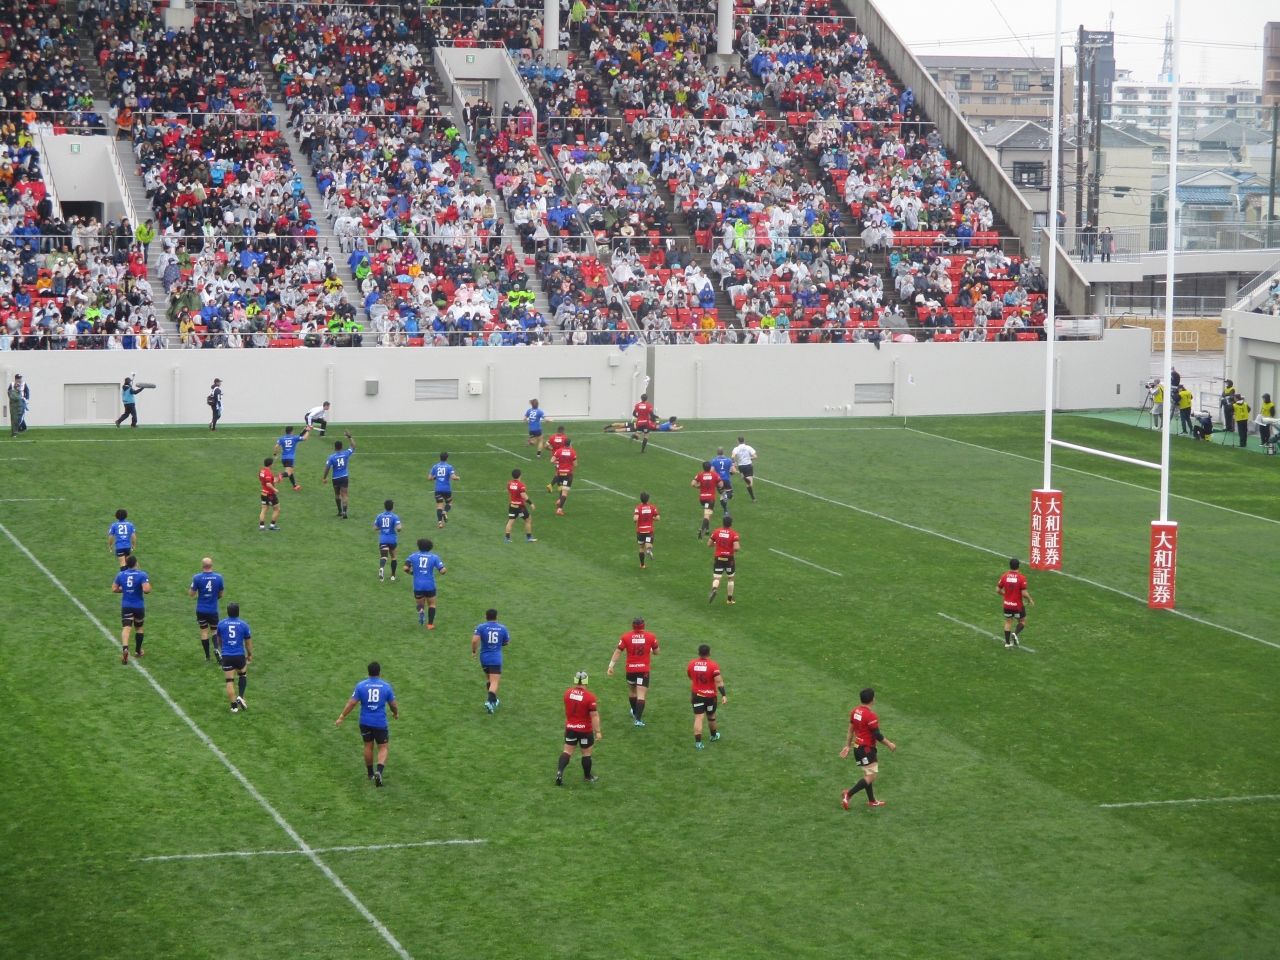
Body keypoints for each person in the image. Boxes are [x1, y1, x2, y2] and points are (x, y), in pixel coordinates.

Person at [335, 661, 398, 786]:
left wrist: (342, 717)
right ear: (379, 673)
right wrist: (395, 713)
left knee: (368, 746)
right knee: (383, 747)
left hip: (365, 722)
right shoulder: (386, 686)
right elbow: (393, 704)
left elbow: (352, 703)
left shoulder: (361, 686)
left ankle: (370, 773)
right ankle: (379, 771)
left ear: (368, 673)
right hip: (380, 722)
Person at [839, 687, 896, 809]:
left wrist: (848, 746)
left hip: (857, 748)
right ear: (872, 699)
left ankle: (872, 800)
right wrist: (890, 744)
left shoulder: (855, 711)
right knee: (871, 776)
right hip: (867, 749)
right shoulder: (871, 716)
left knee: (867, 775)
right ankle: (848, 795)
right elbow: (878, 735)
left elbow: (850, 731)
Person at [607, 617, 659, 725]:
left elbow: (618, 652)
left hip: (630, 669)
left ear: (633, 625)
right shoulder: (650, 636)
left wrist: (611, 666)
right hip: (643, 670)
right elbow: (656, 652)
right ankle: (638, 720)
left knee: (632, 692)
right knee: (641, 695)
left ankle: (634, 711)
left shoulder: (626, 636)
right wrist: (649, 648)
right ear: (644, 625)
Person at [556, 670, 601, 785]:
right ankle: (587, 776)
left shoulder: (567, 693)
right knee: (586, 754)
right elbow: (594, 715)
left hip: (571, 728)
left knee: (567, 751)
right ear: (586, 681)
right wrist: (598, 731)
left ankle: (560, 772)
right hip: (585, 730)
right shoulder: (590, 697)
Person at [112, 555, 151, 663]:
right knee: (139, 628)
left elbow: (114, 589)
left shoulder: (121, 574)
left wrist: (124, 590)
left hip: (126, 605)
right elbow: (147, 590)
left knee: (126, 627)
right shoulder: (142, 574)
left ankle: (125, 649)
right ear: (136, 563)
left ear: (127, 564)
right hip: (138, 606)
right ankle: (138, 652)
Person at [472, 608, 510, 711]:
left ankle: (494, 700)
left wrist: (474, 651)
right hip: (495, 659)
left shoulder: (481, 627)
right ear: (496, 617)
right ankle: (489, 701)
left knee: (489, 679)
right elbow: (506, 642)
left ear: (486, 617)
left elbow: (475, 641)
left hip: (484, 658)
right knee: (494, 682)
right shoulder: (502, 628)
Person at [687, 644, 725, 748]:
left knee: (699, 718)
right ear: (709, 653)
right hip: (710, 697)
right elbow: (719, 681)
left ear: (698, 653)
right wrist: (724, 695)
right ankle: (713, 736)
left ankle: (698, 743)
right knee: (711, 716)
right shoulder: (713, 666)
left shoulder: (692, 664)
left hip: (697, 695)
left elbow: (690, 676)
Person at [216, 602, 252, 713]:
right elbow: (248, 643)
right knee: (242, 675)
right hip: (239, 655)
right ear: (238, 612)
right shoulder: (243, 625)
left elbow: (219, 640)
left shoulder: (221, 624)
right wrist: (249, 654)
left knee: (229, 681)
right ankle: (240, 696)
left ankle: (233, 707)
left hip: (227, 655)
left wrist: (224, 649)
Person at [189, 557, 225, 662]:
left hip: (201, 609)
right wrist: (213, 597)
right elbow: (221, 594)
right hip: (213, 610)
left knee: (204, 632)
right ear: (212, 565)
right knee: (214, 631)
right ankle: (216, 648)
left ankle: (207, 656)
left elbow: (191, 594)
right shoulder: (219, 577)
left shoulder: (197, 578)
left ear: (202, 566)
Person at [404, 538, 445, 627]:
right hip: (430, 585)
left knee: (419, 604)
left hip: (418, 585)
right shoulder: (434, 557)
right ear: (430, 547)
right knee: (432, 604)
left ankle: (421, 610)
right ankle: (430, 624)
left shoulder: (413, 556)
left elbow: (405, 568)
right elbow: (442, 571)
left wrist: (412, 573)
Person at [997, 557, 1033, 648]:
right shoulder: (1022, 578)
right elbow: (1024, 593)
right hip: (1017, 605)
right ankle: (1015, 633)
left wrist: (1005, 595)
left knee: (1008, 622)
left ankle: (1007, 643)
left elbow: (997, 590)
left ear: (1010, 566)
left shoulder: (1004, 576)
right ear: (1019, 566)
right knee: (1022, 621)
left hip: (1007, 605)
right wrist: (1029, 599)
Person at [321, 430, 356, 519]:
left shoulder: (332, 457)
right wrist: (349, 436)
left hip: (335, 478)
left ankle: (340, 511)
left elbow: (327, 468)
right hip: (344, 476)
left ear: (335, 447)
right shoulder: (345, 454)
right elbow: (353, 446)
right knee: (344, 494)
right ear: (341, 447)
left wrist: (324, 478)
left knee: (337, 494)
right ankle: (344, 511)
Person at [709, 515, 741, 604]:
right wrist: (732, 548)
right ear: (731, 524)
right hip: (729, 559)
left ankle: (715, 589)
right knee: (730, 578)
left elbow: (709, 544)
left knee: (717, 577)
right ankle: (729, 599)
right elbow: (737, 548)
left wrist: (717, 544)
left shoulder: (716, 532)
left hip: (718, 558)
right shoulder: (734, 534)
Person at [273, 425, 311, 491]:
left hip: (284, 458)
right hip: (290, 458)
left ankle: (295, 486)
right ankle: (281, 475)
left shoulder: (281, 439)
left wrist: (275, 454)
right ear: (291, 431)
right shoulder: (294, 438)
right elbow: (305, 438)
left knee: (291, 472)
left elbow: (276, 446)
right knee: (288, 472)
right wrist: (308, 430)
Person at [504, 469, 536, 542]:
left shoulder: (509, 483)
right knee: (528, 520)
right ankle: (529, 537)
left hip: (512, 505)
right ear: (520, 475)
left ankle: (507, 538)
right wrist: (531, 503)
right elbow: (523, 495)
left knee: (511, 521)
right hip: (520, 507)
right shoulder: (521, 485)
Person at [374, 500, 403, 581]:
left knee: (384, 556)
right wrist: (399, 529)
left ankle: (382, 568)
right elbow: (399, 527)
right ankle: (393, 575)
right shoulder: (394, 516)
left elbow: (376, 528)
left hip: (383, 539)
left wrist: (382, 528)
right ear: (392, 507)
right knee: (393, 557)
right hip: (392, 539)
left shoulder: (380, 516)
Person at [693, 461, 721, 539]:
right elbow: (721, 484)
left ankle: (707, 529)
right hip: (710, 498)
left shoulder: (700, 475)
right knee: (707, 515)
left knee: (706, 512)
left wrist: (699, 487)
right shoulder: (715, 475)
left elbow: (693, 484)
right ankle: (702, 529)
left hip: (702, 498)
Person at [430, 453, 459, 527]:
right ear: (447, 459)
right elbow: (453, 477)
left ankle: (440, 523)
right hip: (446, 489)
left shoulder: (435, 466)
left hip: (438, 489)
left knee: (439, 505)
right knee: (449, 503)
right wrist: (457, 478)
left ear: (439, 458)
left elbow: (430, 478)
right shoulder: (449, 467)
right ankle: (445, 511)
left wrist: (436, 477)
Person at [551, 437, 577, 515]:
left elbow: (552, 461)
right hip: (568, 474)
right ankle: (559, 509)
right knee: (565, 493)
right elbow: (575, 465)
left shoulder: (559, 451)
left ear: (563, 443)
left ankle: (560, 501)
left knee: (562, 490)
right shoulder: (573, 452)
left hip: (559, 474)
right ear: (570, 444)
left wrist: (559, 463)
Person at [633, 491, 659, 568]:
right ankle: (649, 550)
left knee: (641, 547)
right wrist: (652, 518)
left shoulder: (638, 508)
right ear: (648, 499)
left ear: (641, 499)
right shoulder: (652, 507)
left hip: (640, 531)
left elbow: (635, 518)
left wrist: (635, 521)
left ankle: (642, 565)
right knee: (648, 543)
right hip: (649, 530)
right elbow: (658, 518)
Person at [710, 446, 736, 514]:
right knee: (730, 495)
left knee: (722, 495)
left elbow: (711, 472)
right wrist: (729, 473)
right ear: (723, 452)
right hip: (727, 480)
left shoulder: (714, 461)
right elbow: (734, 471)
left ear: (717, 452)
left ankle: (725, 511)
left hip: (718, 481)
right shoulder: (728, 460)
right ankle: (726, 496)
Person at [731, 436, 758, 501]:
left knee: (748, 483)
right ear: (744, 440)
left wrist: (734, 462)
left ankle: (744, 477)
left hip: (741, 467)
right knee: (750, 484)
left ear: (738, 441)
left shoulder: (736, 448)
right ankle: (753, 498)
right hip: (748, 465)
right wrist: (751, 458)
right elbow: (755, 456)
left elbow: (732, 456)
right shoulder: (748, 447)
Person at [259, 458, 280, 531]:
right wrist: (275, 490)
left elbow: (265, 480)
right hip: (270, 495)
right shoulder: (268, 473)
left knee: (264, 510)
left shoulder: (262, 471)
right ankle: (272, 525)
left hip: (263, 493)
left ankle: (262, 527)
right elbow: (268, 483)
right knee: (277, 509)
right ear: (270, 465)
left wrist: (276, 479)